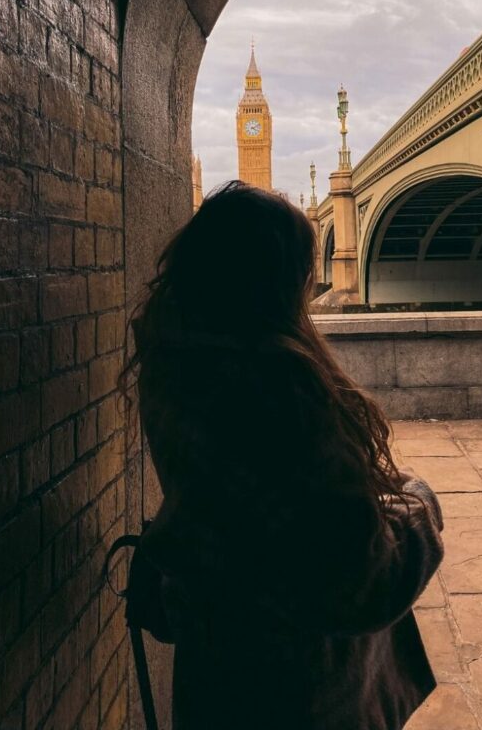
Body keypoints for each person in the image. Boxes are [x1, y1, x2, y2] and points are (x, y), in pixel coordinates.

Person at [122, 180, 444, 730]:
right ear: (273, 280)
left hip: (218, 672)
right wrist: (419, 506)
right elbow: (360, 583)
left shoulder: (175, 364)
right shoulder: (277, 392)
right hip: (305, 691)